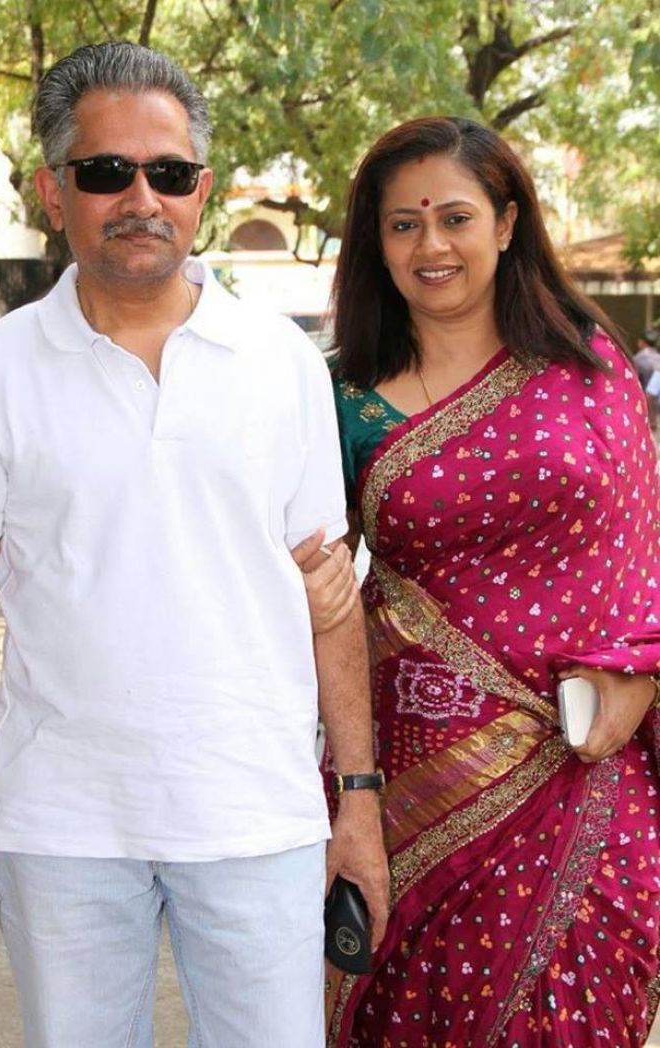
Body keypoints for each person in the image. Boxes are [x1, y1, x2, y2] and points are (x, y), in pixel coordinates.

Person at [0, 42, 389, 1048]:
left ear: (202, 192)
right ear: (53, 192)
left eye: (169, 173)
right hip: (64, 828)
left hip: (258, 816)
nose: (142, 198)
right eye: (106, 171)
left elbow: (329, 599)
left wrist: (357, 799)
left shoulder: (283, 363)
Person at [303, 116, 660, 1046]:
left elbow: (645, 551)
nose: (431, 245)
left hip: (583, 761)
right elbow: (309, 584)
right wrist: (350, 785)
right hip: (410, 775)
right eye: (403, 224)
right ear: (376, 242)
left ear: (506, 224)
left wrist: (645, 668)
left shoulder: (588, 365)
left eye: (454, 217)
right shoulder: (342, 399)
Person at [633, 329, 660, 431]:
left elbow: (649, 393)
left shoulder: (638, 359)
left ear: (642, 342)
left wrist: (651, 419)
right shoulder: (658, 358)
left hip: (647, 411)